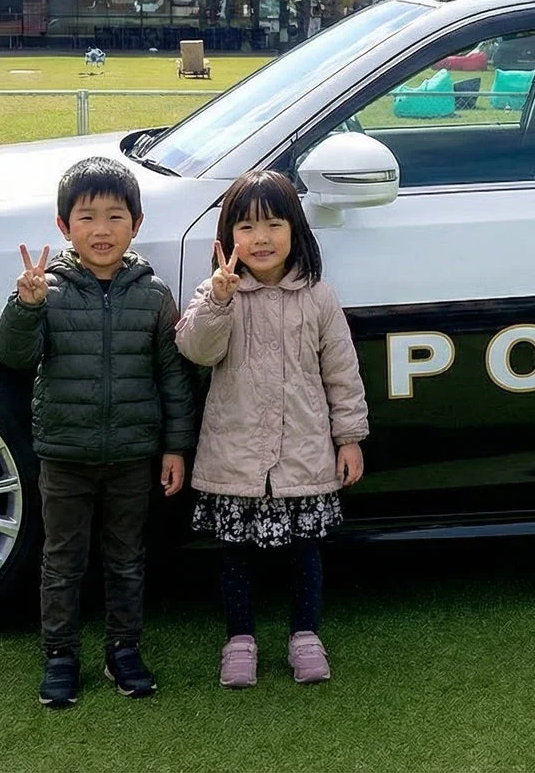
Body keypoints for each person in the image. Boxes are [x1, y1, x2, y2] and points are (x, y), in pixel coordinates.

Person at [0, 156, 195, 709]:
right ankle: (60, 656)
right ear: (64, 227)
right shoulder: (48, 291)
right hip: (64, 454)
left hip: (133, 454)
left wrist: (176, 447)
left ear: (137, 223)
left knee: (127, 558)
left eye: (114, 216)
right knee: (62, 559)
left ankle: (123, 651)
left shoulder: (152, 294)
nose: (101, 230)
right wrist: (25, 306)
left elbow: (172, 377)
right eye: (86, 217)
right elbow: (10, 355)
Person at [177, 170, 368, 688]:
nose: (260, 239)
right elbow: (196, 349)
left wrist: (349, 438)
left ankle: (305, 635)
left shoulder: (319, 296)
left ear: (296, 231)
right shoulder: (217, 293)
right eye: (246, 227)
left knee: (305, 550)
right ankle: (240, 640)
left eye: (273, 224)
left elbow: (342, 373)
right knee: (236, 552)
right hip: (234, 453)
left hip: (304, 452)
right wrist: (217, 299)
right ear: (227, 238)